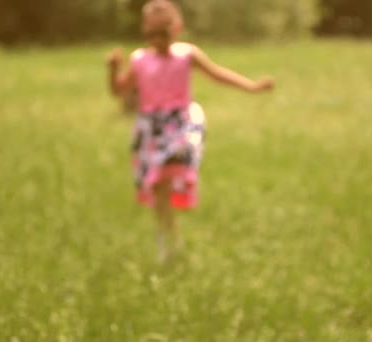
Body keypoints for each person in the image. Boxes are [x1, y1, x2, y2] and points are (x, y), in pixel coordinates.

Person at [106, 0, 273, 263]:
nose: (157, 40)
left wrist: (251, 86)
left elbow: (218, 74)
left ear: (177, 28)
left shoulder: (187, 54)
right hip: (151, 126)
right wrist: (113, 70)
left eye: (163, 32)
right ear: (144, 32)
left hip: (180, 122)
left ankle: (173, 220)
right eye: (151, 34)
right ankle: (167, 240)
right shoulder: (139, 60)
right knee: (158, 185)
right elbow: (119, 91)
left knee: (175, 165)